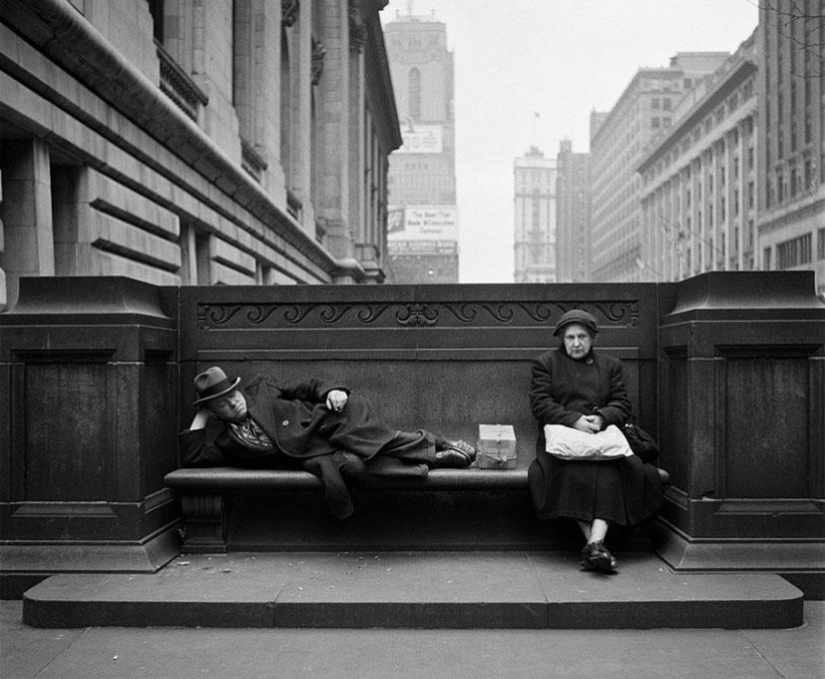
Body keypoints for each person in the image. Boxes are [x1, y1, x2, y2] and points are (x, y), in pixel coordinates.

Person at [180, 366, 477, 519]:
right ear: (214, 411)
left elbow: (309, 385)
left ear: (237, 389)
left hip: (329, 420)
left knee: (364, 438)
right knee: (354, 465)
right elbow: (193, 457)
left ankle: (436, 447)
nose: (232, 405)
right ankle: (432, 455)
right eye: (222, 406)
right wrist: (201, 416)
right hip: (315, 458)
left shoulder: (263, 389)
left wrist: (331, 391)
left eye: (232, 397)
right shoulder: (227, 441)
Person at [528, 309, 665, 573]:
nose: (576, 343)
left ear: (592, 339)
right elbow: (540, 404)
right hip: (562, 440)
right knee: (566, 473)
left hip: (602, 438)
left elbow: (621, 403)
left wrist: (602, 418)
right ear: (561, 339)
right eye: (570, 337)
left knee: (613, 472)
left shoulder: (610, 365)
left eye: (582, 336)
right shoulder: (546, 363)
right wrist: (575, 420)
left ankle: (594, 545)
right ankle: (596, 546)